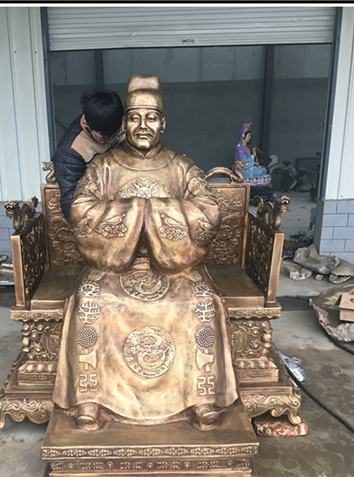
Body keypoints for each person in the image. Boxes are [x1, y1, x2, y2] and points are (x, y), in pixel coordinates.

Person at [51, 74, 237, 432]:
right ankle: (92, 398)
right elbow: (80, 212)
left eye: (151, 118)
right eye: (135, 118)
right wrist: (138, 209)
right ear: (125, 123)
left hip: (174, 264)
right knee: (89, 300)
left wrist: (153, 214)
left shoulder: (181, 166)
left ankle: (200, 397)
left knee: (201, 301)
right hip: (114, 265)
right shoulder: (104, 167)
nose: (143, 125)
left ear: (163, 124)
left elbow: (209, 212)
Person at [51, 91, 125, 220]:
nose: (109, 142)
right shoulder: (70, 153)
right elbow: (72, 205)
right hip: (97, 210)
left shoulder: (126, 123)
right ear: (85, 123)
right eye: (103, 138)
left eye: (114, 135)